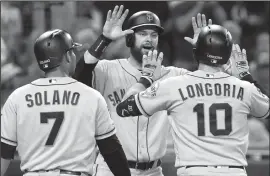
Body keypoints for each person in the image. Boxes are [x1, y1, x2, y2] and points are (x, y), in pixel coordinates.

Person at [73, 5, 214, 176]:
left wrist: (204, 50)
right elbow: (79, 74)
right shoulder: (108, 69)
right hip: (110, 170)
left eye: (154, 35)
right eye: (142, 34)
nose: (149, 39)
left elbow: (208, 85)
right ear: (130, 39)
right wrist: (104, 39)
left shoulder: (172, 74)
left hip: (153, 171)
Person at [115, 24, 270, 176]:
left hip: (194, 171)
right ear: (228, 54)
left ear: (196, 52)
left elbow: (123, 108)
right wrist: (245, 75)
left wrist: (146, 78)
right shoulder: (245, 88)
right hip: (234, 171)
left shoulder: (174, 85)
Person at [1, 29, 131, 176]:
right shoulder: (91, 96)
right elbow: (112, 150)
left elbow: (4, 152)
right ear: (68, 56)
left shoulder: (17, 97)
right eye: (73, 52)